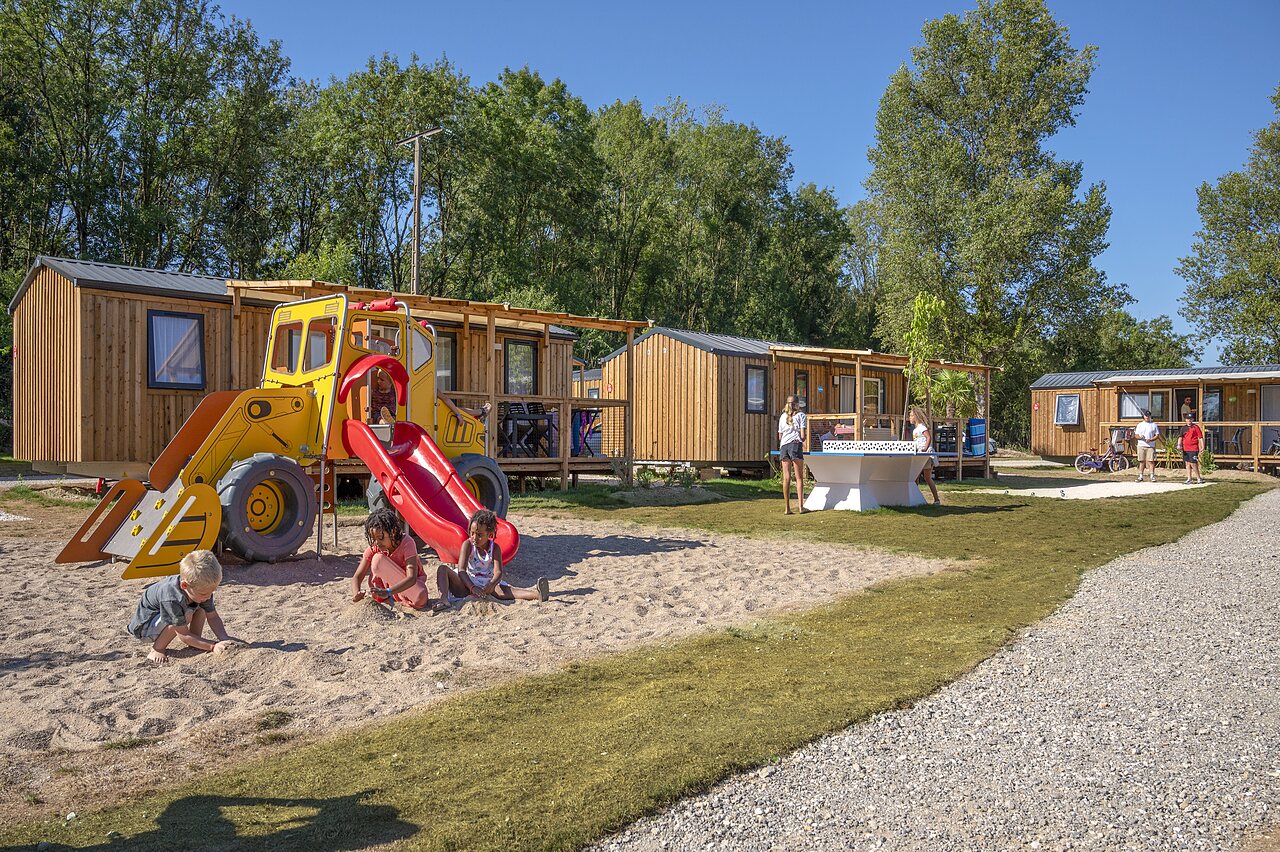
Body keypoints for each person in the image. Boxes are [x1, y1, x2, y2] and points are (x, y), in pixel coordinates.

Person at [127, 550, 238, 665]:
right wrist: (212, 646)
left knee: (201, 607)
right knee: (185, 616)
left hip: (163, 619)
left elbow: (213, 616)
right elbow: (183, 635)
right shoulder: (171, 597)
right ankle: (157, 649)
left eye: (212, 591)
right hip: (145, 628)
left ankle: (195, 640)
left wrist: (224, 638)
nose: (209, 596)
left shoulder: (200, 587)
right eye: (204, 594)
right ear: (184, 585)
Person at [437, 509, 549, 604]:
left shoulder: (495, 548)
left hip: (487, 582)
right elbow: (461, 570)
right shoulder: (468, 545)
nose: (474, 537)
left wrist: (491, 584)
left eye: (479, 535)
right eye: (472, 533)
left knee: (503, 592)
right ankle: (443, 600)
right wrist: (472, 587)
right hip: (468, 582)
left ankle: (537, 594)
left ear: (490, 534)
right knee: (443, 569)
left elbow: (498, 572)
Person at [351, 508, 436, 611]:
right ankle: (390, 597)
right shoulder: (375, 547)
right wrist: (357, 593)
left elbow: (412, 577)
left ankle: (396, 596)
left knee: (421, 598)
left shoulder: (407, 543)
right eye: (374, 539)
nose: (377, 542)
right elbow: (357, 576)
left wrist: (389, 591)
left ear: (393, 532)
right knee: (377, 559)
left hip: (403, 590)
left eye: (381, 538)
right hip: (383, 595)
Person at [777, 395, 808, 514]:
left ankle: (787, 508)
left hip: (784, 446)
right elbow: (803, 436)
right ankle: (801, 507)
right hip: (795, 445)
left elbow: (780, 436)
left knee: (786, 478)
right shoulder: (801, 415)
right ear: (797, 404)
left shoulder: (782, 416)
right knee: (799, 478)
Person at [908, 406, 941, 506]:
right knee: (915, 477)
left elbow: (928, 437)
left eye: (911, 416)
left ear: (916, 416)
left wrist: (925, 448)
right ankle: (915, 498)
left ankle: (936, 499)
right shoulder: (915, 430)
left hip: (925, 455)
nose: (909, 418)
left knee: (927, 477)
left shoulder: (922, 427)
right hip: (918, 455)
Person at [1134, 409, 1161, 482]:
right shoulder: (1140, 425)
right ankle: (1140, 476)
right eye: (1146, 416)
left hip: (1150, 445)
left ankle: (1152, 476)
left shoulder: (1154, 425)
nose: (1147, 417)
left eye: (1148, 416)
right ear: (1144, 416)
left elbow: (1157, 435)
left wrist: (1151, 439)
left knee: (1151, 461)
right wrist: (1140, 437)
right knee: (1141, 461)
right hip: (1141, 445)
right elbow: (1136, 435)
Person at [1180, 411, 1205, 484]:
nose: (1189, 421)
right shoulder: (1183, 428)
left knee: (1193, 463)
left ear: (1193, 420)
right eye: (1187, 419)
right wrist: (1179, 445)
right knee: (1187, 463)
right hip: (1185, 448)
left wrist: (1202, 446)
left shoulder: (1195, 427)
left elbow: (1200, 437)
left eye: (1190, 419)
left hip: (1193, 448)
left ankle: (1198, 478)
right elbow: (1180, 437)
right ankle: (1189, 478)